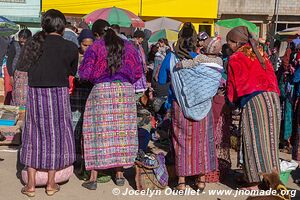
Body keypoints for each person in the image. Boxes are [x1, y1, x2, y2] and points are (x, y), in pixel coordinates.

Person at [20, 9, 78, 197]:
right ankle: (51, 184)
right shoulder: (69, 47)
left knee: (33, 134)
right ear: (62, 26)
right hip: (58, 93)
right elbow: (72, 71)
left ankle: (30, 185)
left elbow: (22, 67)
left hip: (35, 93)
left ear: (44, 25)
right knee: (56, 136)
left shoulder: (32, 44)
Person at [79, 20, 143, 190]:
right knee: (121, 133)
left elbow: (85, 72)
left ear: (96, 34)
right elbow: (138, 71)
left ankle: (93, 178)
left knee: (96, 131)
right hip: (125, 93)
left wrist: (97, 79)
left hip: (101, 91)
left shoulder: (96, 47)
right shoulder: (129, 46)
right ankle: (120, 174)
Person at [158, 22, 218, 191]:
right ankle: (201, 180)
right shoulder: (200, 59)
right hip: (203, 107)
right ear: (195, 40)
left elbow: (161, 81)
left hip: (180, 106)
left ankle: (182, 181)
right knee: (202, 142)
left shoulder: (171, 57)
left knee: (181, 142)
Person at [226, 26, 280, 189]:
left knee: (254, 140)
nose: (229, 47)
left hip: (254, 100)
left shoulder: (235, 58)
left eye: (229, 44)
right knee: (270, 141)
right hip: (273, 99)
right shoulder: (260, 52)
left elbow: (232, 86)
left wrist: (231, 103)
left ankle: (254, 181)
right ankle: (272, 178)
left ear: (236, 42)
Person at [70, 29, 94, 177]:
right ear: (80, 44)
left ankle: (83, 160)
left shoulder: (94, 57)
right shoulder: (74, 55)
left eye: (89, 45)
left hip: (88, 94)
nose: (87, 48)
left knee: (85, 126)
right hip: (75, 95)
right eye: (84, 45)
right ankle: (74, 158)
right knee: (74, 125)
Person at [5, 29, 32, 105]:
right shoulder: (14, 45)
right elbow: (9, 61)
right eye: (21, 37)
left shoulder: (32, 47)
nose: (22, 40)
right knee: (16, 95)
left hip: (28, 75)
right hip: (16, 75)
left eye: (24, 38)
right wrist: (11, 76)